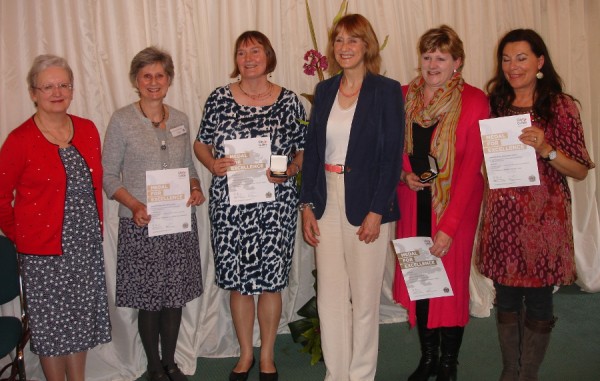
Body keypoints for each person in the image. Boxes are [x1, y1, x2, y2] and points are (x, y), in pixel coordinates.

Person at [476, 29, 595, 381]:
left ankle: (528, 374)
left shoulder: (560, 106)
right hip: (503, 217)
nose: (513, 66)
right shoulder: (494, 104)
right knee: (507, 299)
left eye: (522, 58)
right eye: (507, 59)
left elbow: (580, 170)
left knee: (540, 301)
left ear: (540, 61)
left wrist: (547, 150)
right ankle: (509, 371)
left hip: (544, 221)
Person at [194, 31, 306, 381]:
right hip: (231, 205)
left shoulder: (289, 101)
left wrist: (291, 170)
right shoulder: (218, 98)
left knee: (271, 282)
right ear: (236, 59)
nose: (248, 57)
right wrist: (212, 164)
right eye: (241, 52)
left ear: (267, 56)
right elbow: (201, 143)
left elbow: (303, 149)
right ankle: (245, 354)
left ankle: (268, 356)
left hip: (275, 204)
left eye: (255, 51)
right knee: (240, 284)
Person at [299, 14, 404, 381]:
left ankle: (360, 375)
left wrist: (378, 210)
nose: (344, 47)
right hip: (325, 198)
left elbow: (391, 157)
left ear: (367, 46)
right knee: (330, 297)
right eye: (339, 40)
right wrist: (306, 205)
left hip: (366, 203)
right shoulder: (325, 90)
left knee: (363, 298)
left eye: (353, 40)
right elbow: (313, 151)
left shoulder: (387, 90)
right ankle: (336, 373)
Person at [0, 54, 111, 381]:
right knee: (51, 332)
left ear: (72, 89)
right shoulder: (19, 141)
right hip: (43, 255)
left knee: (79, 324)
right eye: (48, 86)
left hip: (85, 247)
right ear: (33, 92)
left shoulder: (88, 129)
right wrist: (22, 236)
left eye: (63, 84)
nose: (57, 91)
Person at [392, 25, 489, 381]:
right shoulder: (403, 95)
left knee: (450, 286)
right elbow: (393, 149)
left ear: (457, 62)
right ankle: (428, 358)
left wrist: (448, 227)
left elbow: (470, 168)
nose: (432, 64)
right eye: (427, 56)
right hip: (413, 200)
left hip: (453, 208)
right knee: (422, 283)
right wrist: (404, 176)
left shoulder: (475, 101)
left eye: (441, 57)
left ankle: (449, 363)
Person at [102, 47, 205, 381]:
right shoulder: (121, 119)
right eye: (146, 75)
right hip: (141, 223)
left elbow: (189, 165)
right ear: (136, 80)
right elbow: (108, 176)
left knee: (174, 297)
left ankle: (171, 362)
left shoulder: (180, 119)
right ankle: (153, 366)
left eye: (160, 75)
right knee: (149, 300)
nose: (153, 82)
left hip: (176, 223)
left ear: (170, 79)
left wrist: (195, 187)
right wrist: (134, 206)